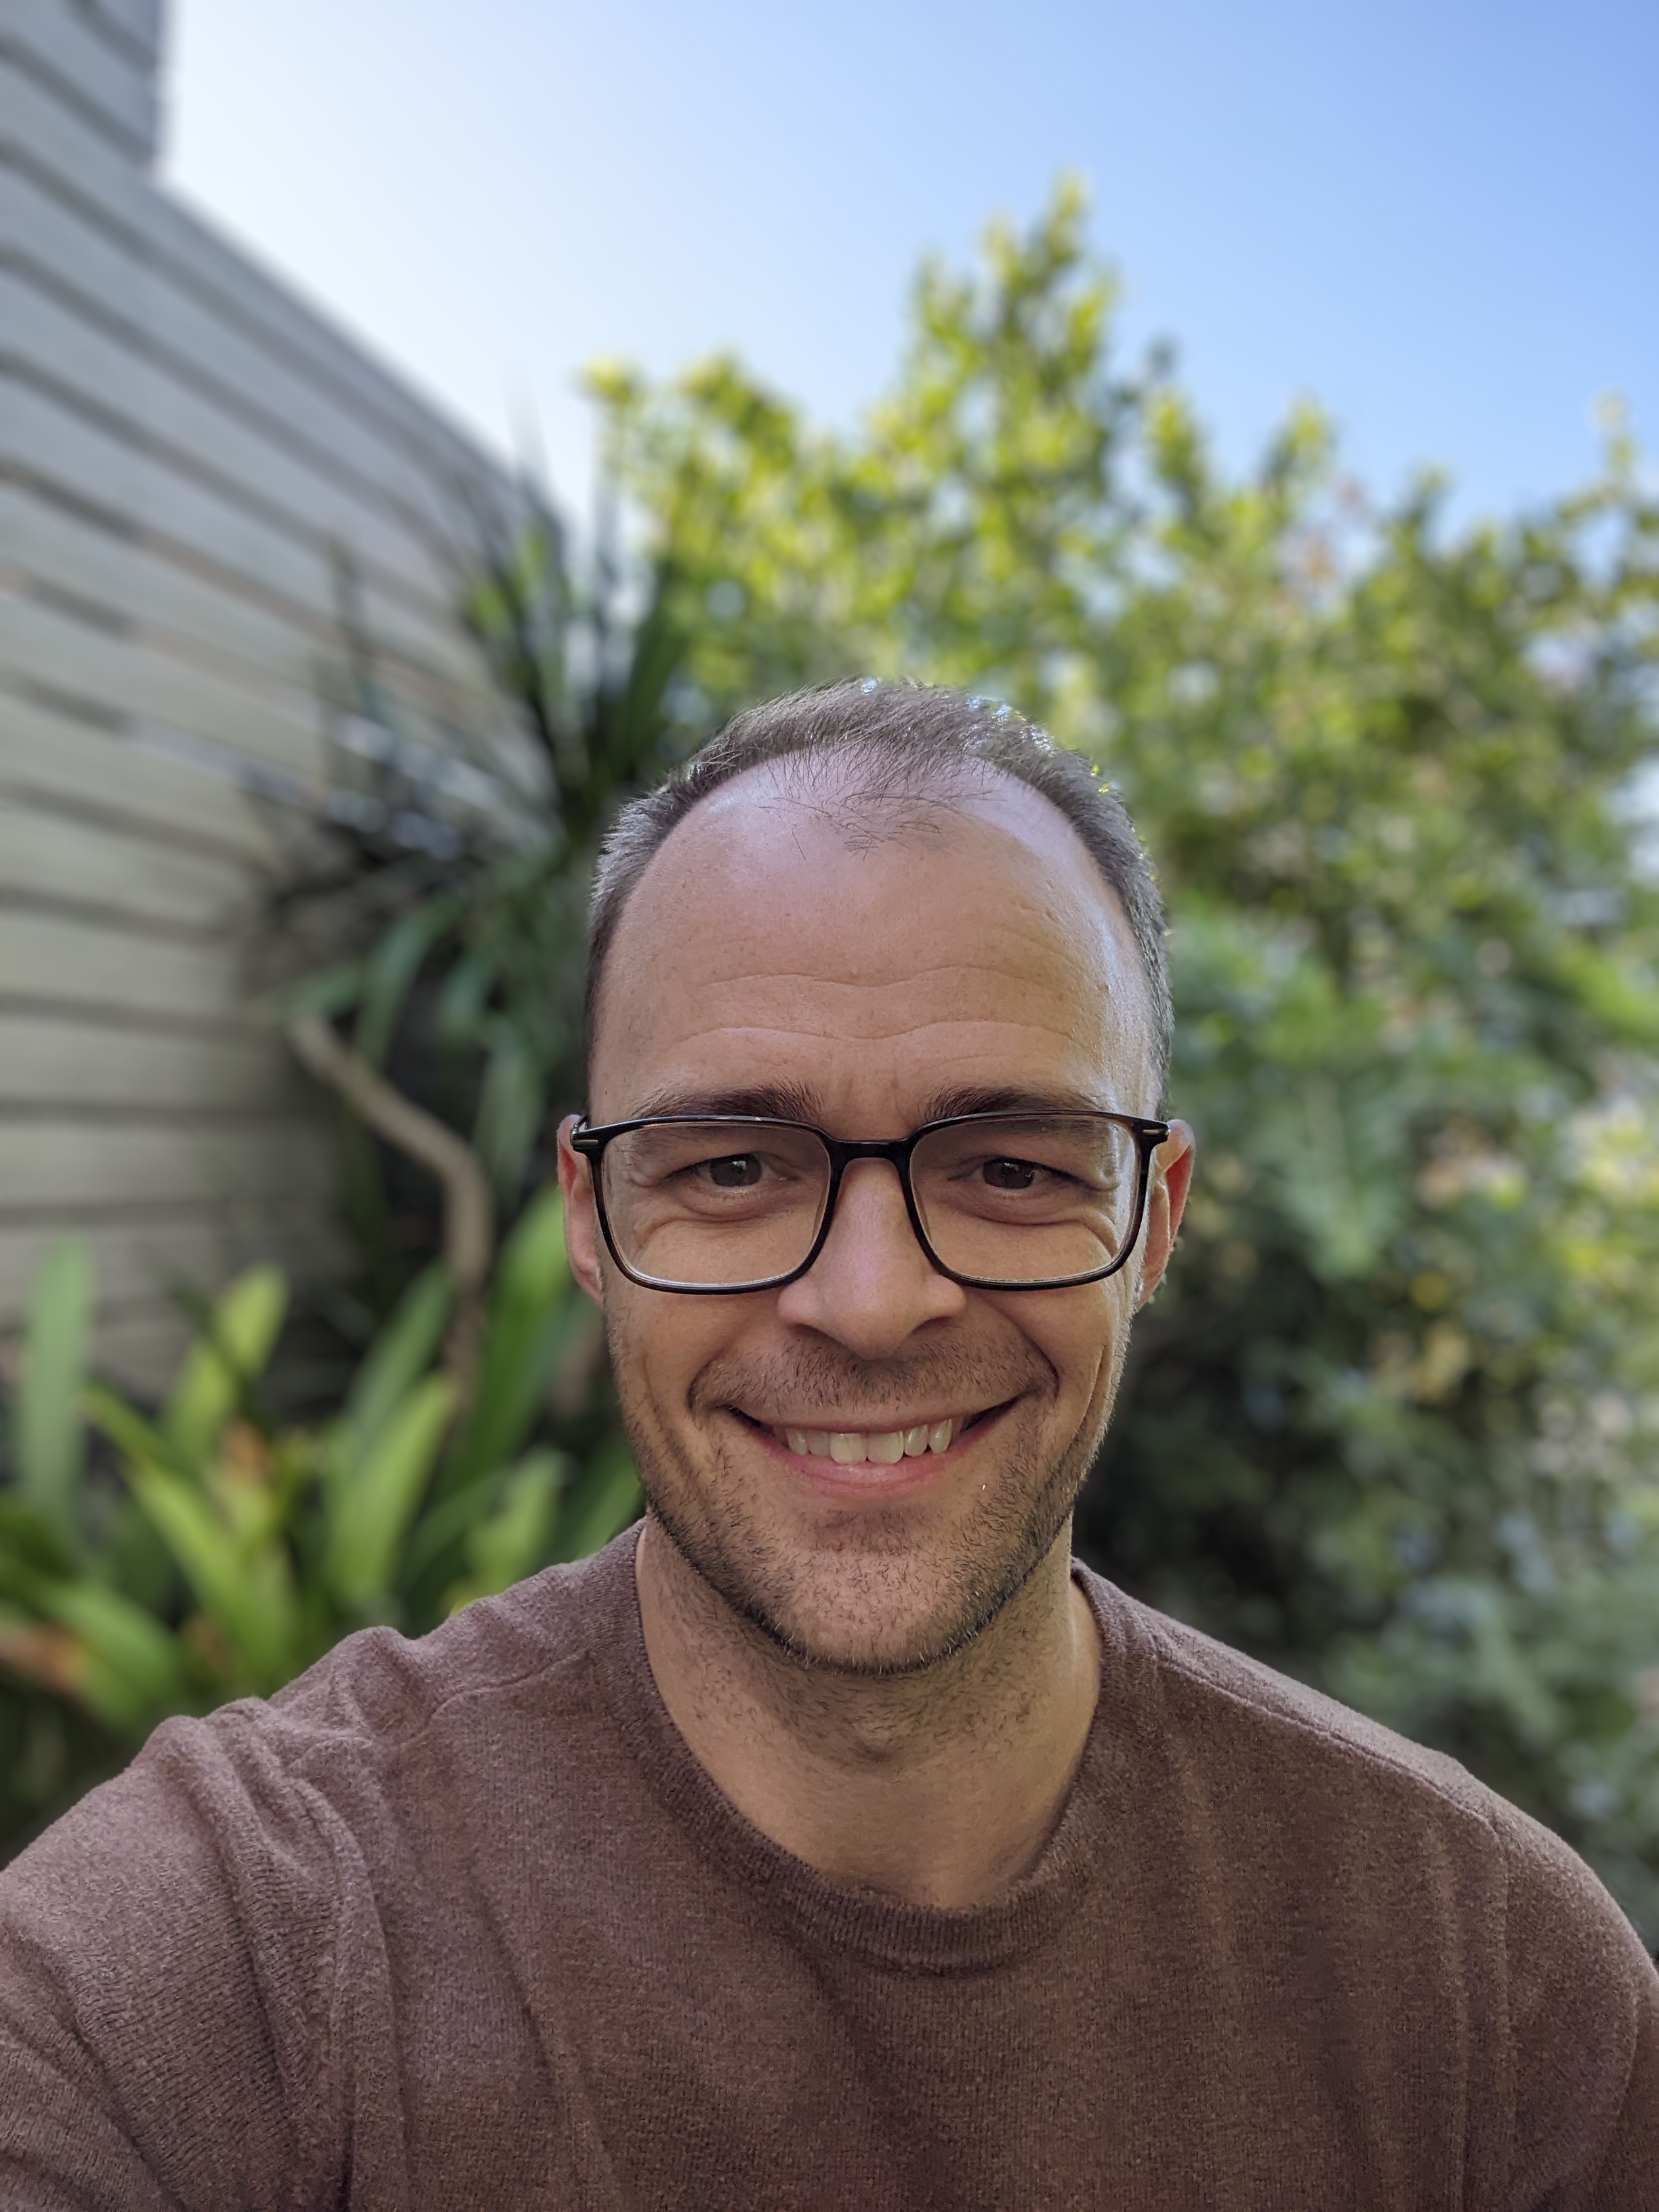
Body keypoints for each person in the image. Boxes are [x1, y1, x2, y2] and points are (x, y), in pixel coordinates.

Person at [1, 680, 1654, 2209]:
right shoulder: (227, 1963)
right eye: (732, 1168)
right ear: (591, 1218)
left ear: (1153, 1222)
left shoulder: (1491, 1996)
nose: (871, 1304)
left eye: (1012, 1168)